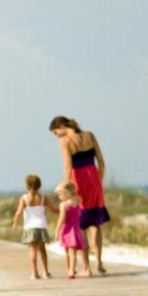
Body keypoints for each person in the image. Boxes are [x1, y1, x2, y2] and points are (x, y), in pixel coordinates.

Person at [49, 116, 110, 273]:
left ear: (61, 126)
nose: (57, 136)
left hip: (78, 183)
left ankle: (86, 267)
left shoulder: (65, 141)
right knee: (95, 224)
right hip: (95, 180)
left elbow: (68, 168)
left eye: (56, 132)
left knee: (81, 225)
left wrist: (67, 189)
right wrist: (98, 182)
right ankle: (99, 262)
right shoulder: (90, 135)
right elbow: (102, 163)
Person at [12, 174, 58, 279]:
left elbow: (18, 212)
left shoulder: (24, 198)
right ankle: (46, 271)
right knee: (43, 250)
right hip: (41, 226)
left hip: (29, 227)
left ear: (26, 186)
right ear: (39, 185)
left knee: (32, 250)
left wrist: (15, 223)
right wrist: (64, 210)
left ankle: (34, 273)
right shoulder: (43, 198)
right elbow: (53, 209)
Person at [55, 181, 91, 278]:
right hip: (78, 229)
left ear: (66, 193)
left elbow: (62, 218)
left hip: (68, 229)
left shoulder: (63, 204)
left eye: (60, 194)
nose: (59, 197)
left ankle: (70, 270)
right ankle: (73, 269)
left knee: (69, 251)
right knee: (74, 251)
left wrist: (57, 229)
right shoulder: (78, 200)